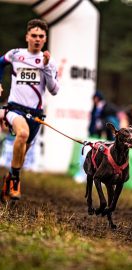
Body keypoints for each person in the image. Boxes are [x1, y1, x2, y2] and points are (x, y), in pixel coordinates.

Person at [0, 18, 59, 202]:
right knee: (22, 134)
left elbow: (54, 90)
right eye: (34, 35)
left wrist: (47, 66)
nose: (37, 39)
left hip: (35, 115)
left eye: (41, 36)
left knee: (21, 155)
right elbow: (0, 63)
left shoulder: (48, 62)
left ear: (45, 39)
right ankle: (16, 181)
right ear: (27, 36)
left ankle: (8, 183)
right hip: (15, 109)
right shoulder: (16, 54)